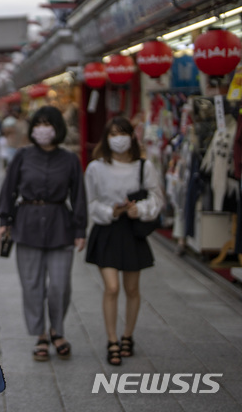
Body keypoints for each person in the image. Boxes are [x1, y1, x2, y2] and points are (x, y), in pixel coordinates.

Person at [0, 106, 87, 362]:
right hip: (27, 225)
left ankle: (58, 329)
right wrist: (5, 220)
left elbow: (79, 195)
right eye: (38, 124)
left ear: (57, 128)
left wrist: (80, 228)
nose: (42, 129)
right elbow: (9, 190)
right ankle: (41, 335)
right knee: (32, 285)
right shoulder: (22, 156)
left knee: (60, 285)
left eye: (48, 124)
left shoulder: (70, 160)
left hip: (61, 225)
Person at [84, 116, 163, 366]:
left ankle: (128, 335)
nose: (119, 139)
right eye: (113, 134)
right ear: (107, 138)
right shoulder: (96, 167)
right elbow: (91, 202)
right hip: (106, 230)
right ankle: (111, 340)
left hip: (132, 231)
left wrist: (137, 209)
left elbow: (157, 198)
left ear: (132, 136)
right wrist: (111, 212)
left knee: (131, 288)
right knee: (112, 287)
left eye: (123, 133)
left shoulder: (144, 166)